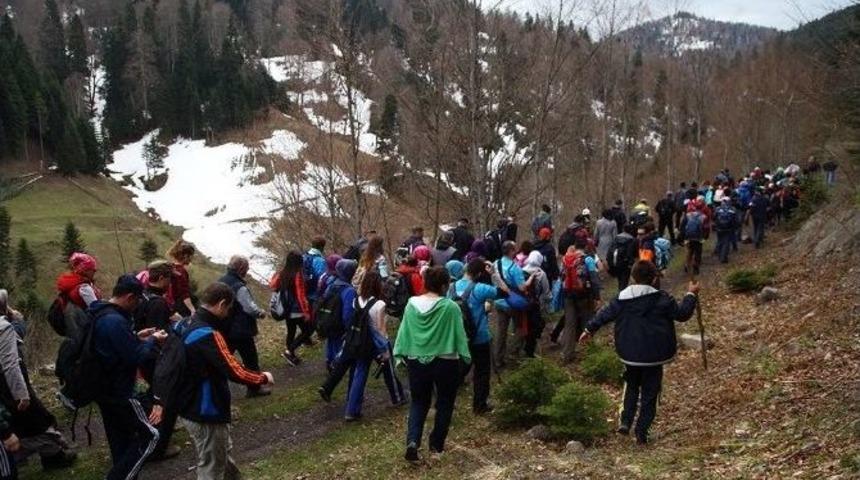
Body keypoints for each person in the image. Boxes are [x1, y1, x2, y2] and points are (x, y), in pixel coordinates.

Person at [579, 260, 699, 445]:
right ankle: (642, 432)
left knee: (631, 385)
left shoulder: (622, 299)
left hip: (630, 352)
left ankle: (625, 421)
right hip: (655, 355)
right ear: (653, 279)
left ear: (633, 277)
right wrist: (691, 294)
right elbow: (682, 314)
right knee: (651, 393)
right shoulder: (662, 299)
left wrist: (589, 330)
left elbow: (604, 315)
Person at [177, 282, 274, 480]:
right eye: (228, 308)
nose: (228, 314)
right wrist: (261, 377)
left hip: (189, 402)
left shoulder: (186, 324)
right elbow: (233, 369)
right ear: (221, 304)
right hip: (205, 408)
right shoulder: (207, 333)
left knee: (222, 452)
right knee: (211, 465)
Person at [91, 275, 167, 480]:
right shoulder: (115, 321)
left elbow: (117, 347)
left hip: (104, 390)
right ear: (130, 297)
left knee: (120, 440)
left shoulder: (101, 313)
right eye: (137, 300)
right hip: (121, 390)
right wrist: (152, 339)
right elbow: (136, 356)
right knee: (150, 435)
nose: (138, 305)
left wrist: (137, 336)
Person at [394, 267, 471, 462]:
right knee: (444, 403)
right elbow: (460, 335)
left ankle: (412, 441)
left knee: (419, 402)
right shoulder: (450, 307)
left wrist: (400, 353)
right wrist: (466, 356)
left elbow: (404, 331)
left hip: (416, 360)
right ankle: (436, 445)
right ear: (444, 285)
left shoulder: (411, 304)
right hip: (446, 361)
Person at [0, 291, 77, 471]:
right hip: (12, 384)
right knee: (37, 420)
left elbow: (17, 333)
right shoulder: (3, 328)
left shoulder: (8, 327)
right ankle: (54, 457)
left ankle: (21, 458)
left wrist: (17, 320)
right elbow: (10, 365)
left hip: (4, 388)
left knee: (17, 421)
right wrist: (22, 394)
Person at [133, 261, 183, 461]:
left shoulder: (141, 295)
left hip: (144, 354)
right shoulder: (158, 302)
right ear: (161, 278)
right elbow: (159, 333)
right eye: (169, 278)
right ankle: (159, 446)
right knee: (164, 399)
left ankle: (153, 437)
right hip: (157, 358)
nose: (171, 283)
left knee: (157, 397)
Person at [453, 259, 507, 414]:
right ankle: (479, 405)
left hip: (458, 338)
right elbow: (504, 291)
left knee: (458, 370)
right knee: (482, 372)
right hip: (479, 337)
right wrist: (494, 274)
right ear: (478, 274)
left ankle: (444, 402)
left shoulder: (451, 288)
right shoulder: (480, 289)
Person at [219, 256, 269, 398]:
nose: (247, 271)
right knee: (250, 359)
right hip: (241, 329)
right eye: (246, 268)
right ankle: (254, 388)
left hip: (224, 327)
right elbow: (249, 308)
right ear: (241, 269)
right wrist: (261, 313)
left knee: (223, 359)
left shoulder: (221, 281)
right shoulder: (239, 286)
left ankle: (216, 388)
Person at [556, 239, 600, 364]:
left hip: (568, 295)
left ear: (575, 246)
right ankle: (590, 354)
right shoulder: (588, 259)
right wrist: (597, 297)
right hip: (584, 296)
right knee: (588, 323)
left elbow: (561, 277)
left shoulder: (565, 259)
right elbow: (594, 279)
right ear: (585, 246)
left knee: (569, 324)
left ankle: (566, 354)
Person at [492, 241, 532, 369]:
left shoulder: (495, 264)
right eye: (514, 249)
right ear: (511, 251)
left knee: (501, 331)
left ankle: (498, 358)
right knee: (520, 328)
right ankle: (513, 353)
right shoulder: (515, 268)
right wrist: (531, 279)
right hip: (513, 302)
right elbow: (521, 287)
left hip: (498, 301)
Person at [270, 252, 312, 367]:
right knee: (308, 330)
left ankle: (291, 355)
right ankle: (289, 351)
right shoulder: (297, 274)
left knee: (291, 331)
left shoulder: (282, 273)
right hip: (296, 309)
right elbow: (300, 294)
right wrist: (306, 311)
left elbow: (273, 285)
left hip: (286, 308)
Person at [55, 252, 102, 338]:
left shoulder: (73, 285)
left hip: (74, 327)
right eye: (92, 269)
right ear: (85, 270)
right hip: (85, 328)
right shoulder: (84, 288)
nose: (95, 271)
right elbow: (97, 308)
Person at [522, 251, 551, 358]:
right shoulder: (541, 273)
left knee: (525, 326)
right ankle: (530, 351)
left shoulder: (522, 270)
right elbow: (546, 293)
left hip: (522, 303)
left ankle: (524, 348)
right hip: (535, 304)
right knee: (536, 326)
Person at [167, 240, 196, 317]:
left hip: (168, 304)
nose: (191, 259)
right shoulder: (181, 272)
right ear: (186, 256)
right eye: (191, 256)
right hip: (177, 306)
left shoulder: (169, 267)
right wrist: (192, 309)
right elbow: (184, 293)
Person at [680, 200, 709, 275]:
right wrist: (705, 237)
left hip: (688, 236)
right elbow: (706, 228)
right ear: (702, 207)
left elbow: (682, 226)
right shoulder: (704, 217)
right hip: (698, 238)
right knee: (698, 252)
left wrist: (683, 236)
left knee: (689, 251)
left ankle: (687, 264)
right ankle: (696, 266)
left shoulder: (688, 215)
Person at [607, 224, 638, 291]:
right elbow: (634, 253)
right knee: (625, 280)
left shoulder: (616, 238)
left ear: (623, 229)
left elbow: (610, 250)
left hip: (616, 262)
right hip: (626, 263)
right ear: (631, 230)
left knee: (620, 279)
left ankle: (620, 291)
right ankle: (622, 293)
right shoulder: (633, 240)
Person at [714, 198, 739, 264]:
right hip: (729, 228)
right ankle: (723, 257)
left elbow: (714, 217)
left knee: (720, 241)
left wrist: (715, 225)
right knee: (726, 243)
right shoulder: (733, 209)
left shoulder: (718, 209)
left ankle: (720, 256)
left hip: (719, 228)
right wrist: (735, 227)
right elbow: (736, 220)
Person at [304, 236, 328, 304]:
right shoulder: (321, 261)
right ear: (321, 247)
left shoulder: (303, 257)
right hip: (314, 297)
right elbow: (322, 280)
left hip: (302, 297)